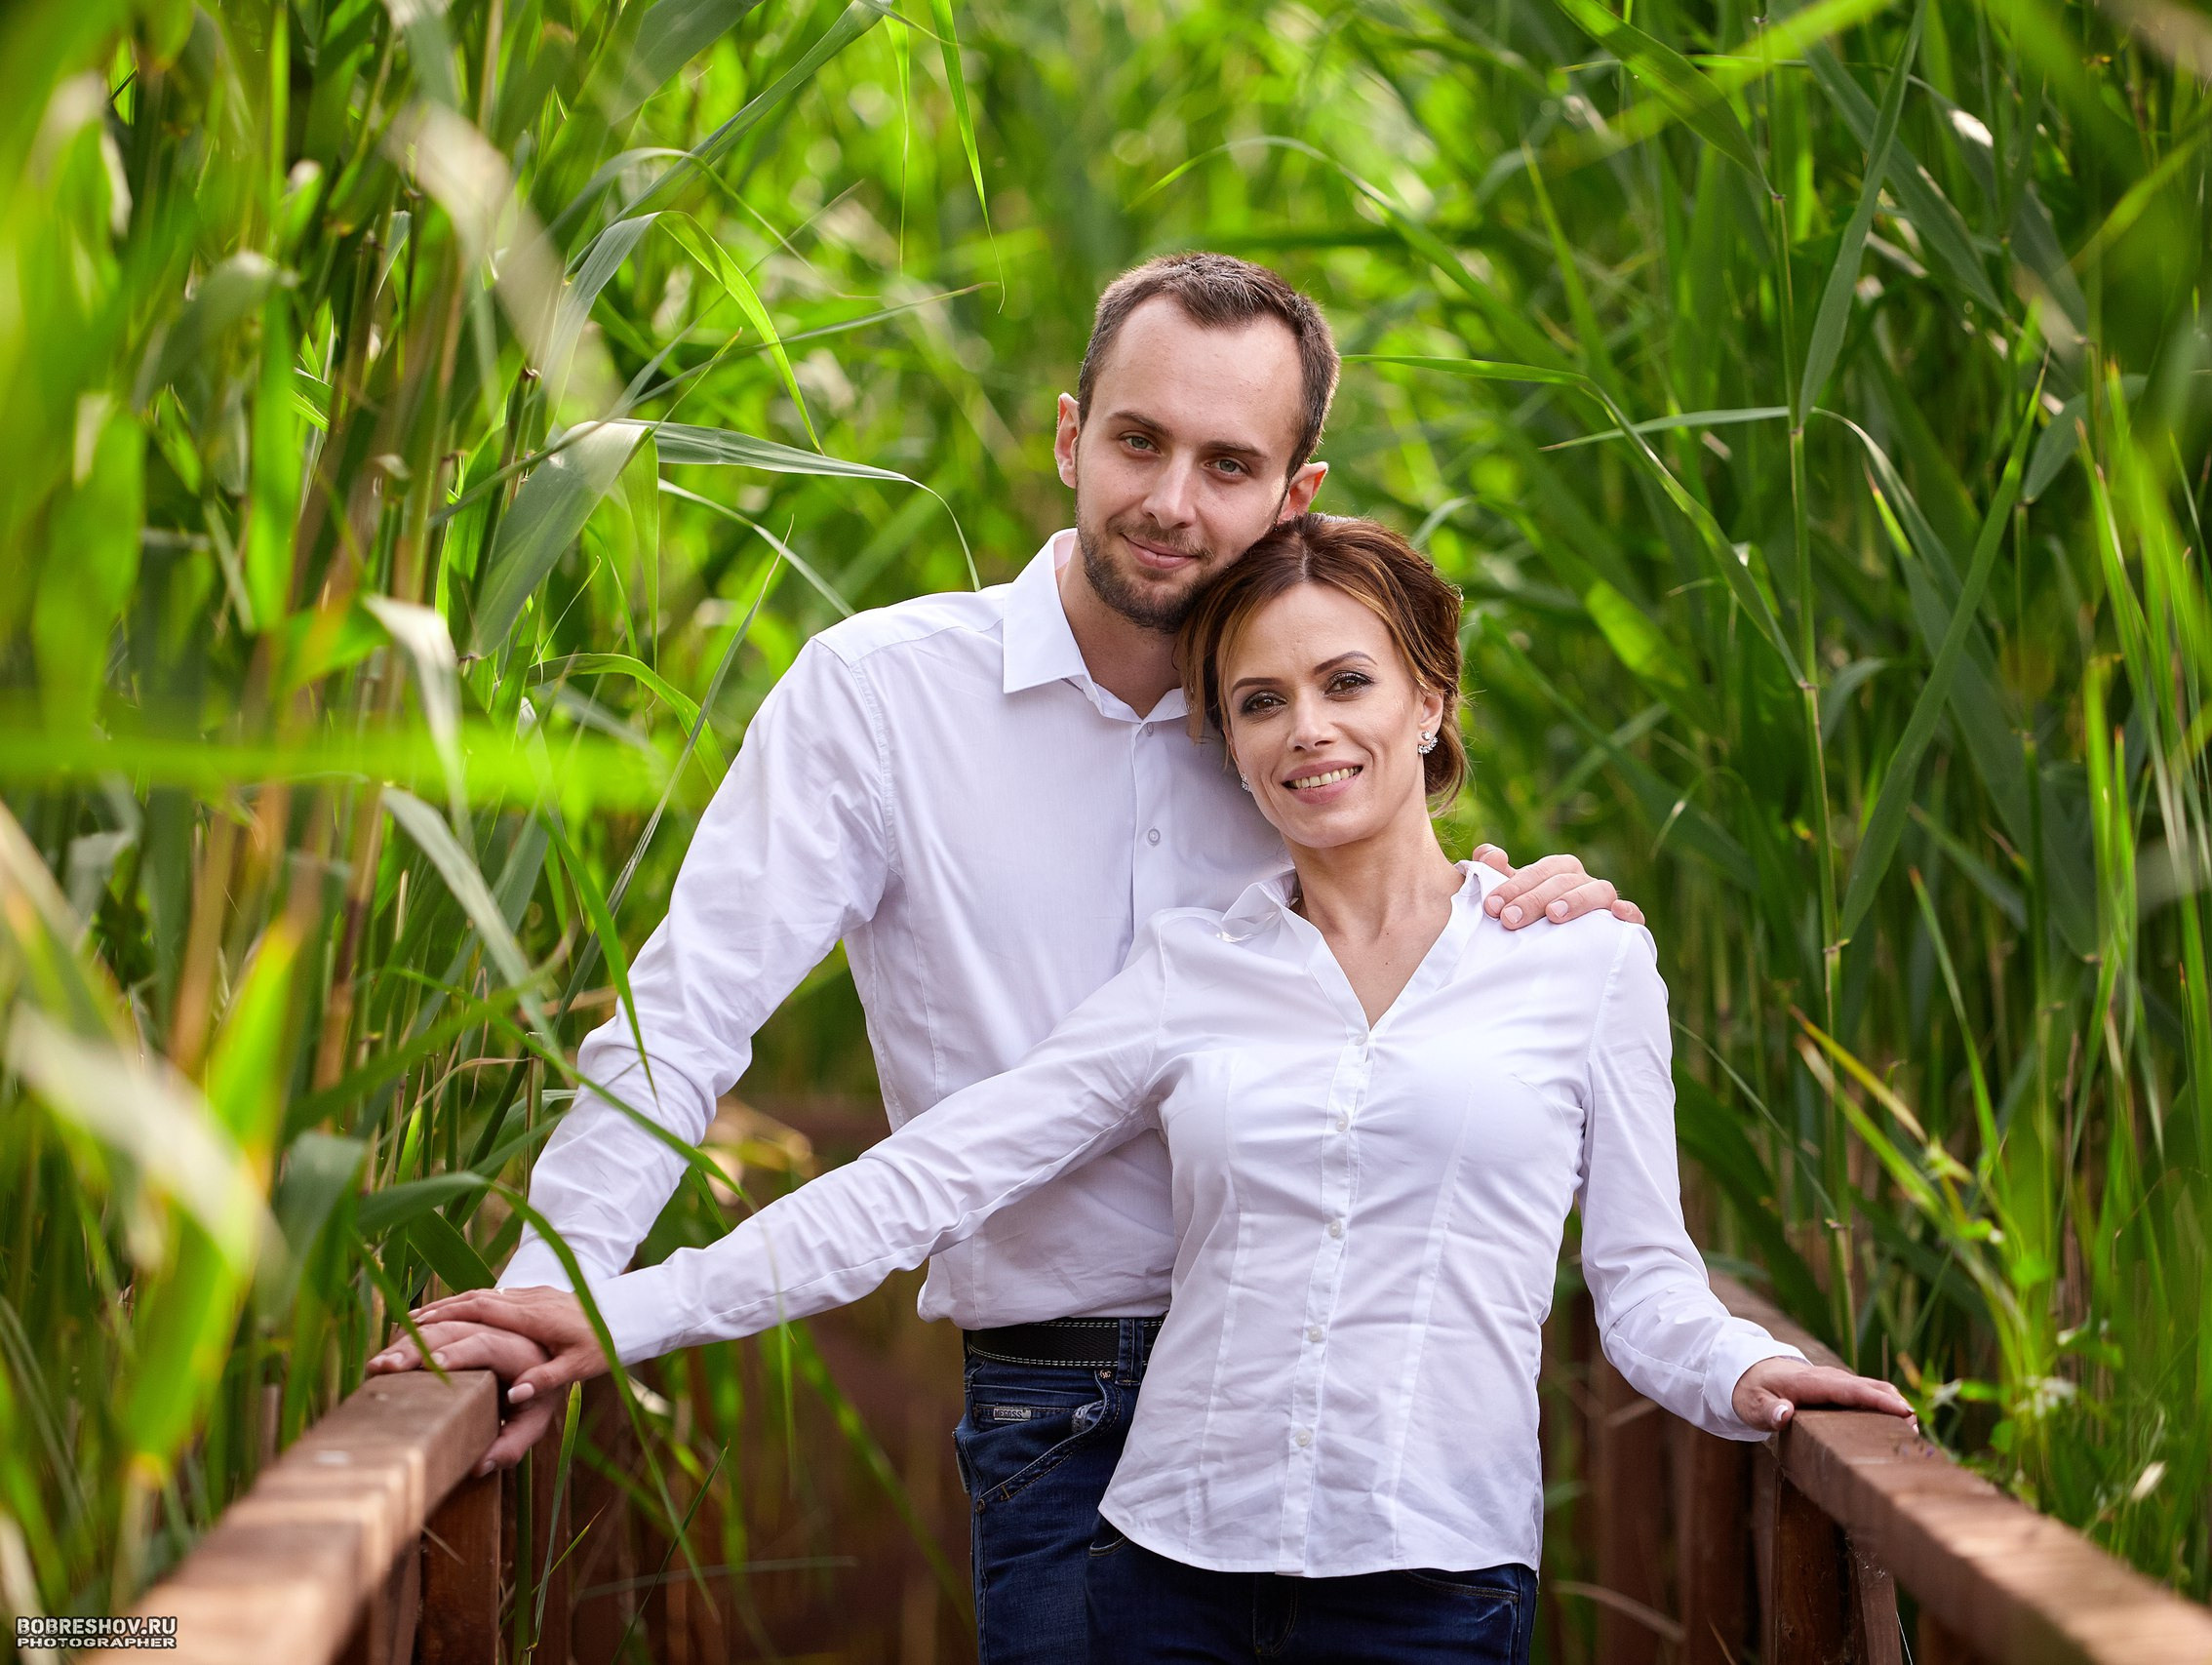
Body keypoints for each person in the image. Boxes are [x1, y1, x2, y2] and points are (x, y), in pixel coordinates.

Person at [371, 255, 1638, 1665]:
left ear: (1298, 498)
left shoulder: (1304, 730)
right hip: (1062, 1393)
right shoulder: (882, 697)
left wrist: (1543, 898)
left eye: (1229, 464)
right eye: (1137, 441)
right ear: (1067, 436)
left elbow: (1420, 951)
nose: (1169, 501)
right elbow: (687, 1011)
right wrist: (560, 1286)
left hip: (1352, 1404)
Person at [388, 514, 1916, 1665]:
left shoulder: (1582, 965)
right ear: (1229, 748)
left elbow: (1642, 1287)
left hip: (1439, 1582)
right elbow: (934, 1175)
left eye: (1345, 683)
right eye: (1258, 704)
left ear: (1433, 699)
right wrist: (613, 1309)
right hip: (1163, 1568)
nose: (1307, 729)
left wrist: (1749, 1378)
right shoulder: (1199, 971)